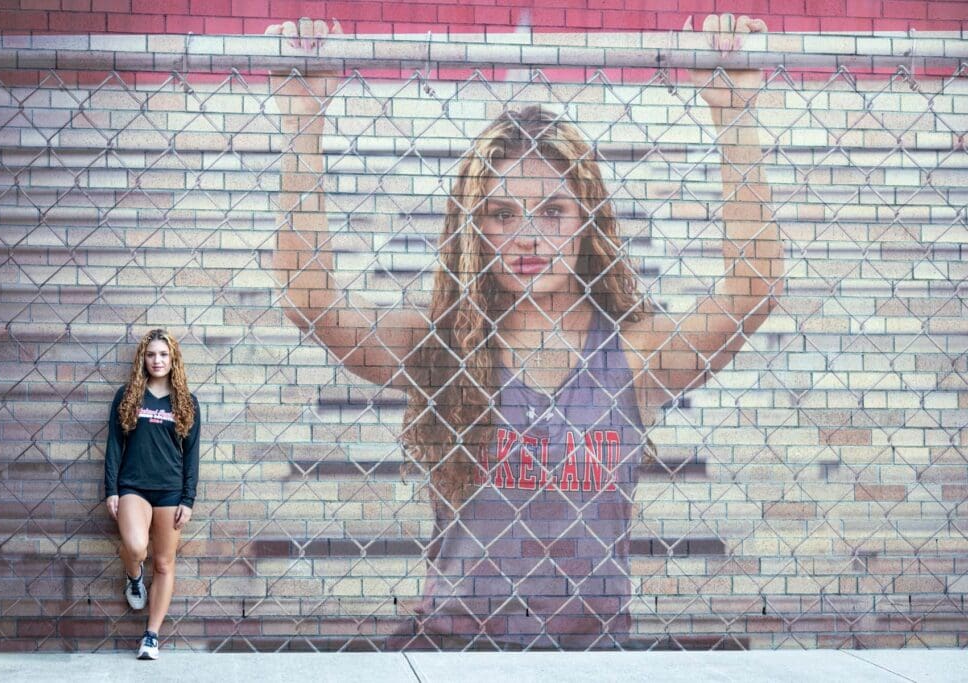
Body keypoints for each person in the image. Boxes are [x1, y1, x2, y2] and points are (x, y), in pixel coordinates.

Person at [266, 14, 782, 649]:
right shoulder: (443, 348)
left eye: (553, 211)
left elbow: (752, 291)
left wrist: (734, 113)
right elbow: (310, 300)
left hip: (589, 650)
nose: (529, 238)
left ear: (588, 220)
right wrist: (303, 118)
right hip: (456, 644)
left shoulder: (634, 351)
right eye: (503, 214)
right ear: (473, 228)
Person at [103, 328, 201, 659]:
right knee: (135, 547)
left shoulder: (186, 401)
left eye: (163, 354)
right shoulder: (128, 395)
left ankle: (151, 635)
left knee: (163, 562)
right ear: (142, 359)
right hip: (134, 486)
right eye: (151, 354)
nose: (157, 360)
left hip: (170, 491)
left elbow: (192, 454)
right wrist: (111, 489)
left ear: (173, 359)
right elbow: (114, 445)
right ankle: (134, 578)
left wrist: (188, 499)